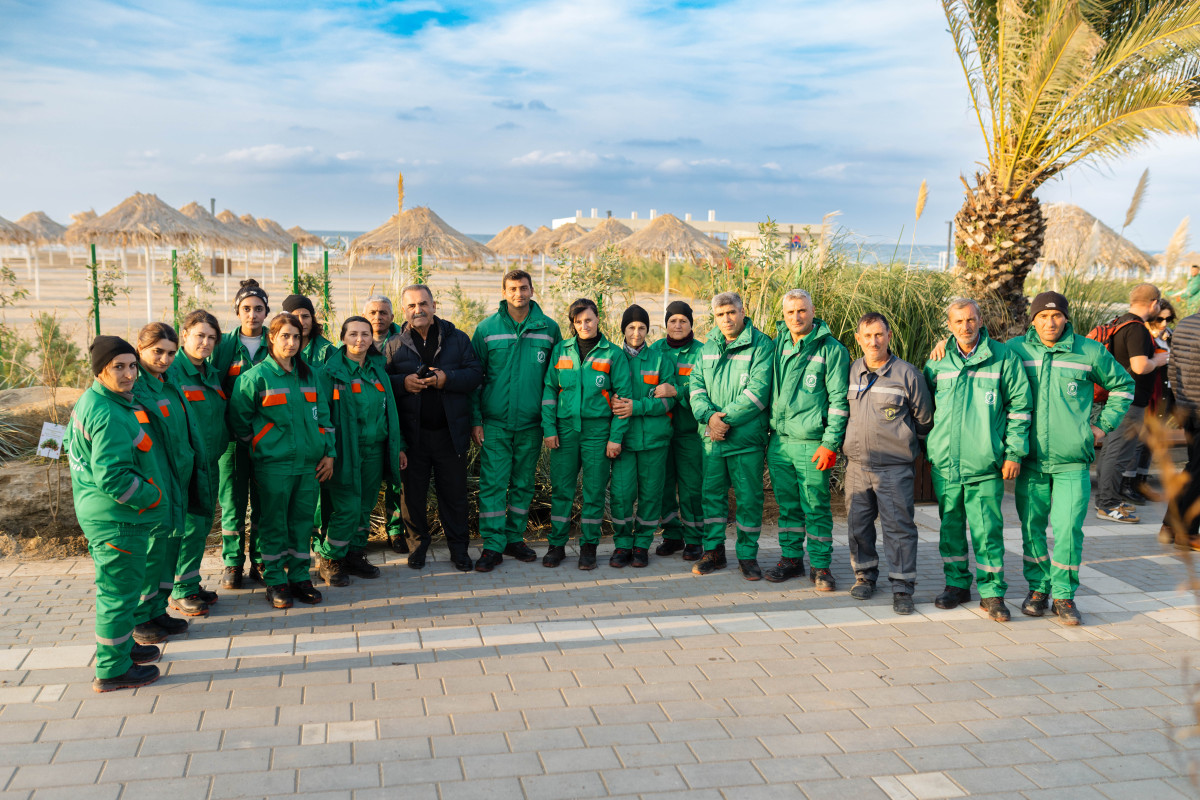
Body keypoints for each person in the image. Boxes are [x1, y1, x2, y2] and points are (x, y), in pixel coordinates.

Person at [1010, 292, 1134, 625]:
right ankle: (1038, 589)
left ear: (1066, 318)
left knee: (1067, 531)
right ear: (1032, 320)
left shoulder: (1089, 351)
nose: (1050, 323)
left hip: (1072, 462)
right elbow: (977, 354)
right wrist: (945, 345)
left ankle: (1064, 596)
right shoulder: (1015, 350)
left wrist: (1102, 426)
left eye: (1056, 316)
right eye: (1042, 317)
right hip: (1031, 462)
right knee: (1032, 529)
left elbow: (1123, 386)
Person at [923, 299, 1032, 622]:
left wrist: (1013, 452)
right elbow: (925, 408)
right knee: (951, 529)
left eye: (970, 320)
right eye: (958, 322)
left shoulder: (1003, 358)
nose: (965, 327)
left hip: (985, 464)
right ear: (949, 326)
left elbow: (1020, 409)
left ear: (980, 320)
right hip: (946, 464)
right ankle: (956, 585)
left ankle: (992, 592)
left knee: (987, 530)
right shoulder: (938, 363)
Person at [67, 336, 166, 692]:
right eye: (118, 367)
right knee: (118, 595)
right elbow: (112, 476)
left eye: (132, 365)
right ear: (101, 371)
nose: (128, 374)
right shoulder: (108, 413)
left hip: (107, 516)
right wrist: (152, 497)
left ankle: (123, 650)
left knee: (120, 591)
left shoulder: (96, 401)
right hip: (118, 520)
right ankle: (112, 670)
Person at [229, 313, 335, 609]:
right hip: (273, 466)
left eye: (296, 337)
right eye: (285, 336)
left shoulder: (311, 375)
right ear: (271, 338)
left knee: (302, 524)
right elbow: (239, 420)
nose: (291, 342)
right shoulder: (255, 377)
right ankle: (275, 579)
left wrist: (329, 453)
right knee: (273, 523)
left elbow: (324, 417)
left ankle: (300, 576)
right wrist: (264, 444)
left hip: (309, 465)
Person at [470, 269, 562, 572]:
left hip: (532, 425)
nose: (518, 294)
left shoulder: (549, 329)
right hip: (495, 423)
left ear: (532, 290)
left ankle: (514, 537)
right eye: (512, 288)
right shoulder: (486, 330)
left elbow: (557, 379)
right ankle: (493, 545)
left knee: (523, 484)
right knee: (493, 485)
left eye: (523, 288)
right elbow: (475, 379)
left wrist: (551, 423)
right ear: (504, 292)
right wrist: (476, 420)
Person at [387, 285, 483, 571]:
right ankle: (418, 546)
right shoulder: (393, 344)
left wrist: (447, 379)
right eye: (412, 306)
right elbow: (381, 382)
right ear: (404, 311)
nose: (418, 310)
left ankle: (459, 549)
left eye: (423, 304)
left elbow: (475, 374)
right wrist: (403, 383)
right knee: (411, 497)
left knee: (453, 496)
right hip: (413, 436)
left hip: (449, 433)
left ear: (434, 305)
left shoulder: (458, 338)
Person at [843, 312, 933, 615]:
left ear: (889, 336)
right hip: (856, 465)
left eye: (879, 335)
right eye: (867, 336)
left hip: (894, 468)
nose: (873, 341)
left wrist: (904, 446)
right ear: (858, 339)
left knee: (899, 528)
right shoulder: (852, 370)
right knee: (858, 525)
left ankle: (903, 586)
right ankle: (865, 576)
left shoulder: (908, 375)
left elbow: (924, 420)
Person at [128, 323, 210, 645]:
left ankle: (157, 609)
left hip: (179, 479)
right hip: (156, 482)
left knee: (169, 546)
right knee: (152, 551)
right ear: (140, 347)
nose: (164, 359)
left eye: (171, 353)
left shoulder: (169, 382)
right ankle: (139, 617)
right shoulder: (135, 389)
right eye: (157, 351)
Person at [765, 289, 849, 589]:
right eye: (790, 312)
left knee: (815, 505)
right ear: (784, 315)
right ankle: (790, 559)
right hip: (780, 442)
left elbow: (839, 401)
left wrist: (830, 442)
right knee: (787, 506)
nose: (796, 317)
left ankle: (821, 566)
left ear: (813, 311)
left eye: (801, 310)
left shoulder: (831, 350)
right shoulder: (777, 346)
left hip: (812, 443)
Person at [314, 317, 408, 586]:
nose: (360, 339)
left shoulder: (378, 370)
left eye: (365, 334)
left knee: (364, 506)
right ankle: (331, 559)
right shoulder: (328, 373)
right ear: (342, 337)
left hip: (375, 450)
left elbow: (390, 411)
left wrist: (398, 446)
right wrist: (328, 452)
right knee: (346, 506)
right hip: (343, 452)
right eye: (353, 334)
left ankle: (355, 553)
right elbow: (322, 418)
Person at [688, 292, 774, 580]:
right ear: (714, 317)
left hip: (744, 440)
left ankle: (747, 555)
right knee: (711, 497)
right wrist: (709, 418)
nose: (726, 319)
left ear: (742, 311)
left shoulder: (761, 345)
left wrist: (723, 421)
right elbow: (696, 387)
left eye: (731, 313)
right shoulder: (707, 346)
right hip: (712, 438)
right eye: (720, 315)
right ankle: (713, 551)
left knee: (749, 498)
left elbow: (757, 393)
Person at [541, 298, 632, 570]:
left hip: (597, 432)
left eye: (588, 320)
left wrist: (615, 437)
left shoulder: (612, 354)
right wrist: (549, 428)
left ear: (598, 319)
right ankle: (556, 545)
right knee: (562, 491)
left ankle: (589, 547)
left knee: (593, 492)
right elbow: (549, 391)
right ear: (572, 323)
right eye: (578, 321)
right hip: (565, 431)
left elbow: (623, 399)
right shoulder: (561, 350)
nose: (584, 325)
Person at [166, 310, 228, 617]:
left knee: (201, 525)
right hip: (184, 467)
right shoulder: (172, 374)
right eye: (199, 335)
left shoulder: (210, 373)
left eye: (211, 338)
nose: (205, 342)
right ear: (184, 335)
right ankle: (180, 589)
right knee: (188, 528)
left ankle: (190, 580)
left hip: (209, 463)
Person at [211, 279, 270, 589]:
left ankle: (260, 560)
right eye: (246, 309)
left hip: (266, 440)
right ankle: (232, 563)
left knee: (263, 501)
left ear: (266, 312)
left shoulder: (275, 343)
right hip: (232, 442)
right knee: (233, 502)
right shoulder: (222, 347)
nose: (253, 315)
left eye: (258, 309)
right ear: (237, 311)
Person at [1094, 283, 1168, 523]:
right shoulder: (1136, 328)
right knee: (1118, 453)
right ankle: (1107, 505)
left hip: (1115, 398)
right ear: (1154, 303)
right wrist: (1159, 360)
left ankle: (1109, 500)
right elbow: (1139, 366)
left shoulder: (1119, 322)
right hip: (1129, 401)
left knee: (1111, 451)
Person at [608, 304, 675, 567]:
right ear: (623, 329)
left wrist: (638, 407)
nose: (636, 333)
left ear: (649, 330)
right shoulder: (613, 357)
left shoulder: (660, 359)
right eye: (631, 327)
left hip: (654, 442)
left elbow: (669, 403)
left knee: (650, 494)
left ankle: (641, 545)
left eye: (642, 328)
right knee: (622, 495)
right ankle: (623, 544)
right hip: (623, 441)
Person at [650, 301, 706, 561]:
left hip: (689, 433)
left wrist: (678, 391)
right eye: (673, 320)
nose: (678, 325)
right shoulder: (654, 351)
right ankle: (672, 534)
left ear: (691, 324)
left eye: (683, 320)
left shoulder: (702, 353)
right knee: (662, 485)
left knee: (691, 488)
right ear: (666, 323)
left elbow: (707, 389)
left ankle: (695, 539)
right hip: (659, 433)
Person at [364, 293, 409, 554]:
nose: (378, 317)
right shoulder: (353, 341)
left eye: (383, 313)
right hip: (367, 424)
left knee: (396, 478)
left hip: (397, 419)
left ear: (392, 316)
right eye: (372, 313)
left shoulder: (402, 342)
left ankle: (395, 530)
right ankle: (361, 532)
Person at [1161, 304, 1200, 550]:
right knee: (1197, 471)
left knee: (1193, 467)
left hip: (1187, 407)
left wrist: (1179, 403)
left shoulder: (1185, 323)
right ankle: (1186, 532)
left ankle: (1170, 525)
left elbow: (1172, 368)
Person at [283, 294, 336, 367]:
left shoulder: (328, 351)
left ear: (312, 319)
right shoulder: (278, 349)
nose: (301, 322)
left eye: (305, 316)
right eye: (295, 317)